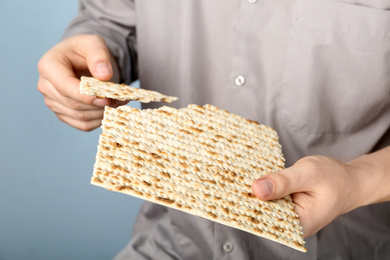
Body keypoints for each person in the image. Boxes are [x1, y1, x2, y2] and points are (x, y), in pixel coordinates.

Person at [37, 0, 390, 259]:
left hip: (343, 248)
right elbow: (113, 21)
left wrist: (357, 180)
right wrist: (92, 56)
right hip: (172, 242)